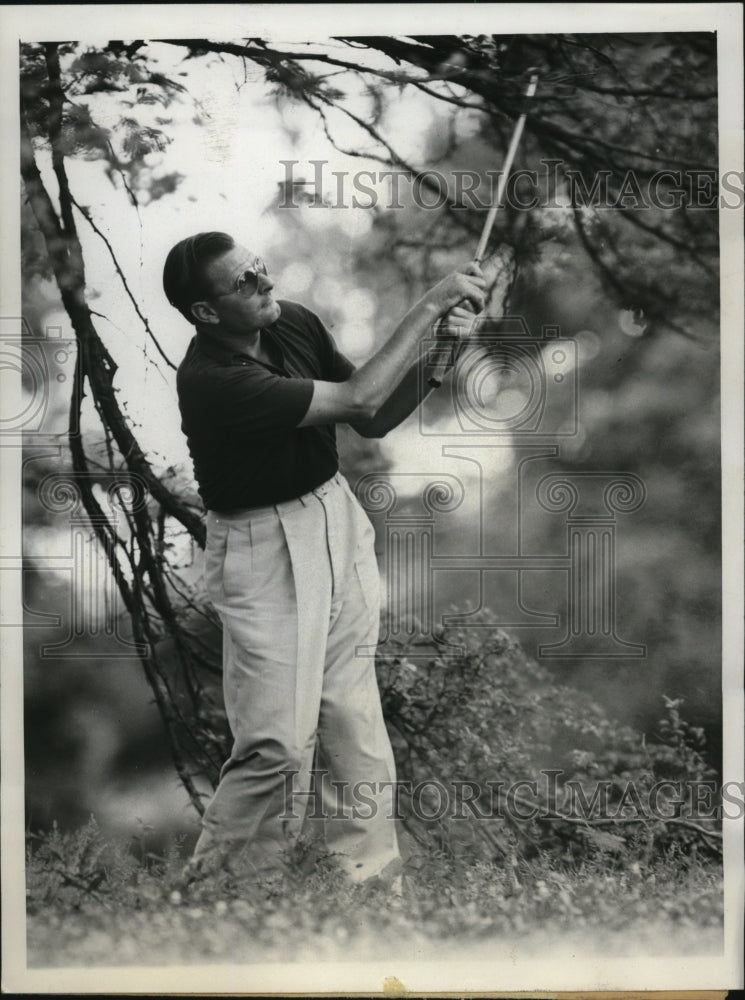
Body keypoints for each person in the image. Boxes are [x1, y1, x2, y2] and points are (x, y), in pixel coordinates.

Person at [163, 232, 486, 886]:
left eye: (261, 269)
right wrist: (430, 304)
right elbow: (359, 398)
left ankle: (367, 893)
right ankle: (222, 898)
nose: (264, 286)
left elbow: (374, 420)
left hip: (334, 517)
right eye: (245, 284)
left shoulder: (293, 324)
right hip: (260, 547)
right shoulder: (213, 381)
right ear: (205, 312)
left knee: (354, 723)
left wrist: (444, 346)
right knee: (276, 744)